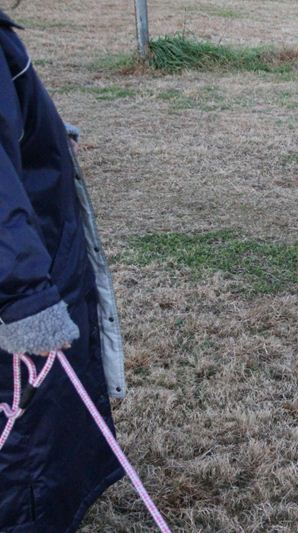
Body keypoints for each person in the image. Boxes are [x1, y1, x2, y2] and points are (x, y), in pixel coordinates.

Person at [1, 9, 126, 532]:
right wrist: (24, 295)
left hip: (33, 250)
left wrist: (41, 133)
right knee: (26, 436)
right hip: (20, 281)